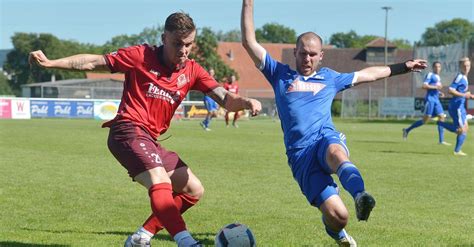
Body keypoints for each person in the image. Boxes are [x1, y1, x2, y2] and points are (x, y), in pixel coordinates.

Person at [29, 12, 261, 247]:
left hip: (150, 140)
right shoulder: (140, 56)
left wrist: (245, 102)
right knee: (160, 180)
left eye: (189, 44)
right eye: (177, 44)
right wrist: (51, 63)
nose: (183, 50)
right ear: (164, 37)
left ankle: (142, 237)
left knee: (193, 189)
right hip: (127, 131)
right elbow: (93, 62)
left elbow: (225, 98)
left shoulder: (192, 70)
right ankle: (187, 242)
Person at [240, 0, 427, 245]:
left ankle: (360, 195)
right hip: (300, 155)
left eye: (312, 54)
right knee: (339, 217)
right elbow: (249, 42)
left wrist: (403, 66)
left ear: (321, 56)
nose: (307, 58)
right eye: (303, 53)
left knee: (336, 151)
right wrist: (248, 4)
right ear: (295, 52)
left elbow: (367, 74)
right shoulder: (279, 73)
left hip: (324, 139)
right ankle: (338, 233)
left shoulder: (330, 77)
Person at [403, 61, 450, 145]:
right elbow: (424, 86)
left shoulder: (438, 77)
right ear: (433, 67)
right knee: (425, 120)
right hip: (430, 100)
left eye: (439, 67)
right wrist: (436, 87)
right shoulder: (430, 75)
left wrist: (439, 93)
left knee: (442, 117)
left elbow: (434, 88)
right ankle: (407, 130)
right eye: (436, 67)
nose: (437, 68)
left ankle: (441, 140)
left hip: (436, 100)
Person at [437, 57, 473, 156]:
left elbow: (461, 91)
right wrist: (464, 95)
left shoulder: (464, 77)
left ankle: (457, 151)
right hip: (456, 106)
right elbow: (450, 90)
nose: (466, 67)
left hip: (460, 106)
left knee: (465, 128)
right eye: (464, 65)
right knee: (461, 130)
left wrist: (469, 95)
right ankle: (440, 123)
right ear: (460, 66)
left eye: (468, 65)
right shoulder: (460, 77)